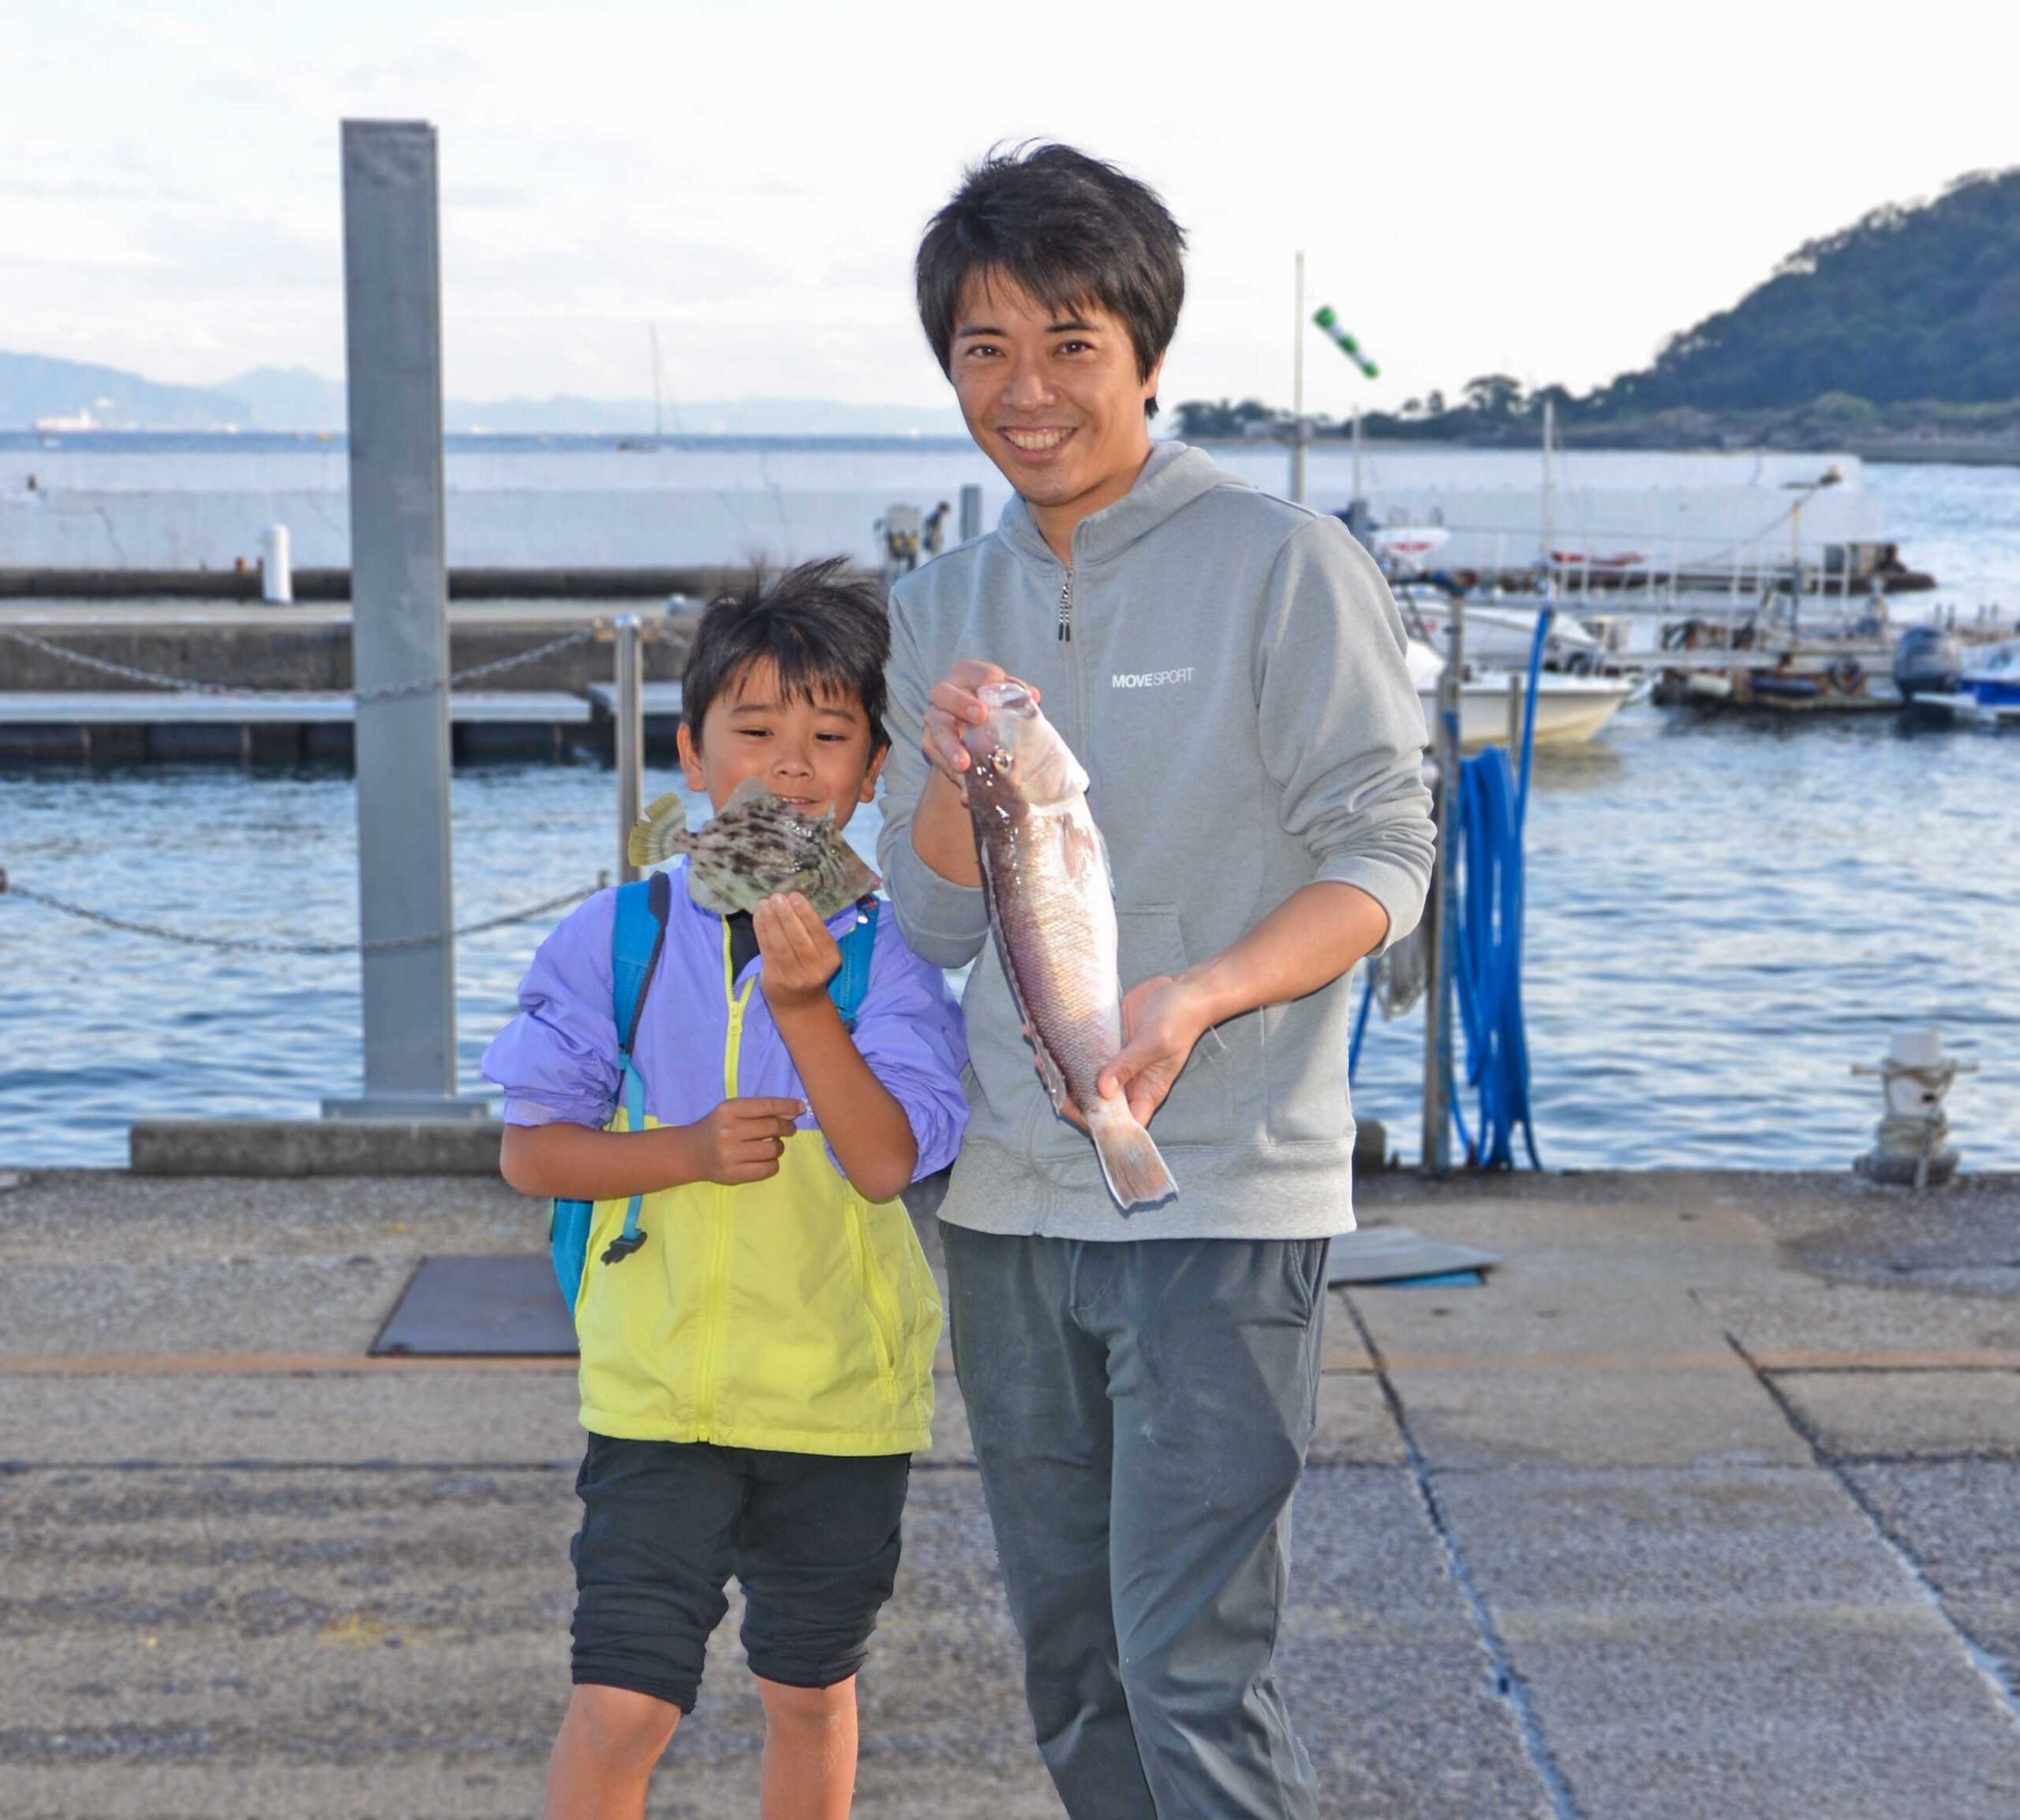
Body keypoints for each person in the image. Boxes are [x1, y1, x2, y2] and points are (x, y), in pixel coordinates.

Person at [877, 145, 1435, 1818]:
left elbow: (1384, 861)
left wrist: (1195, 996)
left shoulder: (1281, 562)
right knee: (1071, 1662)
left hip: (1219, 1192)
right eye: (984, 350)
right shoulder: (936, 597)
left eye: (1068, 343)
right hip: (999, 1202)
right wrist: (937, 778)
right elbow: (934, 928)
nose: (1026, 392)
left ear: (1142, 351)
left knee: (1189, 1663)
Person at [484, 559, 968, 1820]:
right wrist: (687, 1149)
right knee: (623, 1702)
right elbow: (534, 1151)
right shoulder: (617, 937)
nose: (790, 767)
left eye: (829, 738)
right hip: (656, 1397)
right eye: (754, 732)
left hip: (838, 1401)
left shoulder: (897, 955)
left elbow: (884, 1162)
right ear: (692, 756)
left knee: (808, 1692)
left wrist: (809, 1010)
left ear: (875, 777)